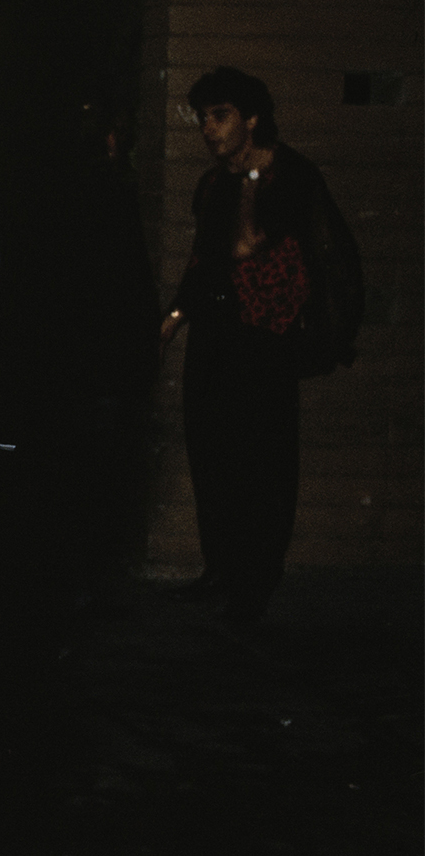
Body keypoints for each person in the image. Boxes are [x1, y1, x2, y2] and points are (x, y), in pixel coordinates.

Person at [159, 66, 360, 624]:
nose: (208, 129)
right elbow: (204, 261)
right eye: (202, 119)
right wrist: (173, 318)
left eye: (219, 116)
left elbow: (278, 250)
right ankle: (220, 569)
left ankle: (254, 585)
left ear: (251, 119)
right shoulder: (214, 182)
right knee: (211, 453)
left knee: (263, 465)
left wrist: (324, 332)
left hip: (265, 342)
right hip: (217, 336)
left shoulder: (289, 176)